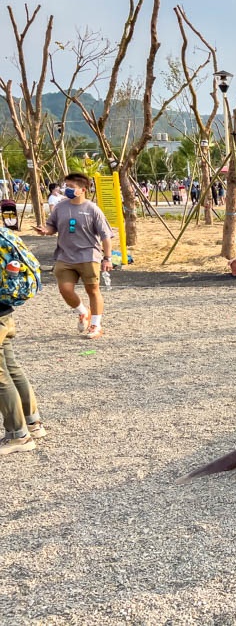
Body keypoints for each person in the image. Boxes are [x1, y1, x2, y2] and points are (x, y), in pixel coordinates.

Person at [33, 172, 114, 340]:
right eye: (65, 186)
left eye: (71, 187)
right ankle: (83, 312)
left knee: (92, 290)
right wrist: (45, 231)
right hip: (65, 256)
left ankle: (96, 325)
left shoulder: (92, 209)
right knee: (65, 289)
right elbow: (51, 226)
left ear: (83, 189)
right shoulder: (61, 207)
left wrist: (107, 258)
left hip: (88, 256)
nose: (66, 189)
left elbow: (106, 236)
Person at [0, 234, 45, 455]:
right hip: (5, 312)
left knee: (0, 376)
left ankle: (18, 435)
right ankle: (33, 423)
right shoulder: (4, 234)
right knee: (11, 367)